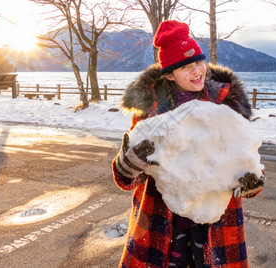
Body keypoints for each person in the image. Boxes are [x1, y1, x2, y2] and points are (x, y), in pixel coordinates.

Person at [112, 20, 265, 268]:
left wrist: (252, 184)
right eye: (185, 67)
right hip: (161, 228)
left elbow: (246, 164)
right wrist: (127, 164)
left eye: (198, 62)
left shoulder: (226, 106)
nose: (197, 72)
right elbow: (125, 181)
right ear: (169, 74)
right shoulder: (151, 112)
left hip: (216, 232)